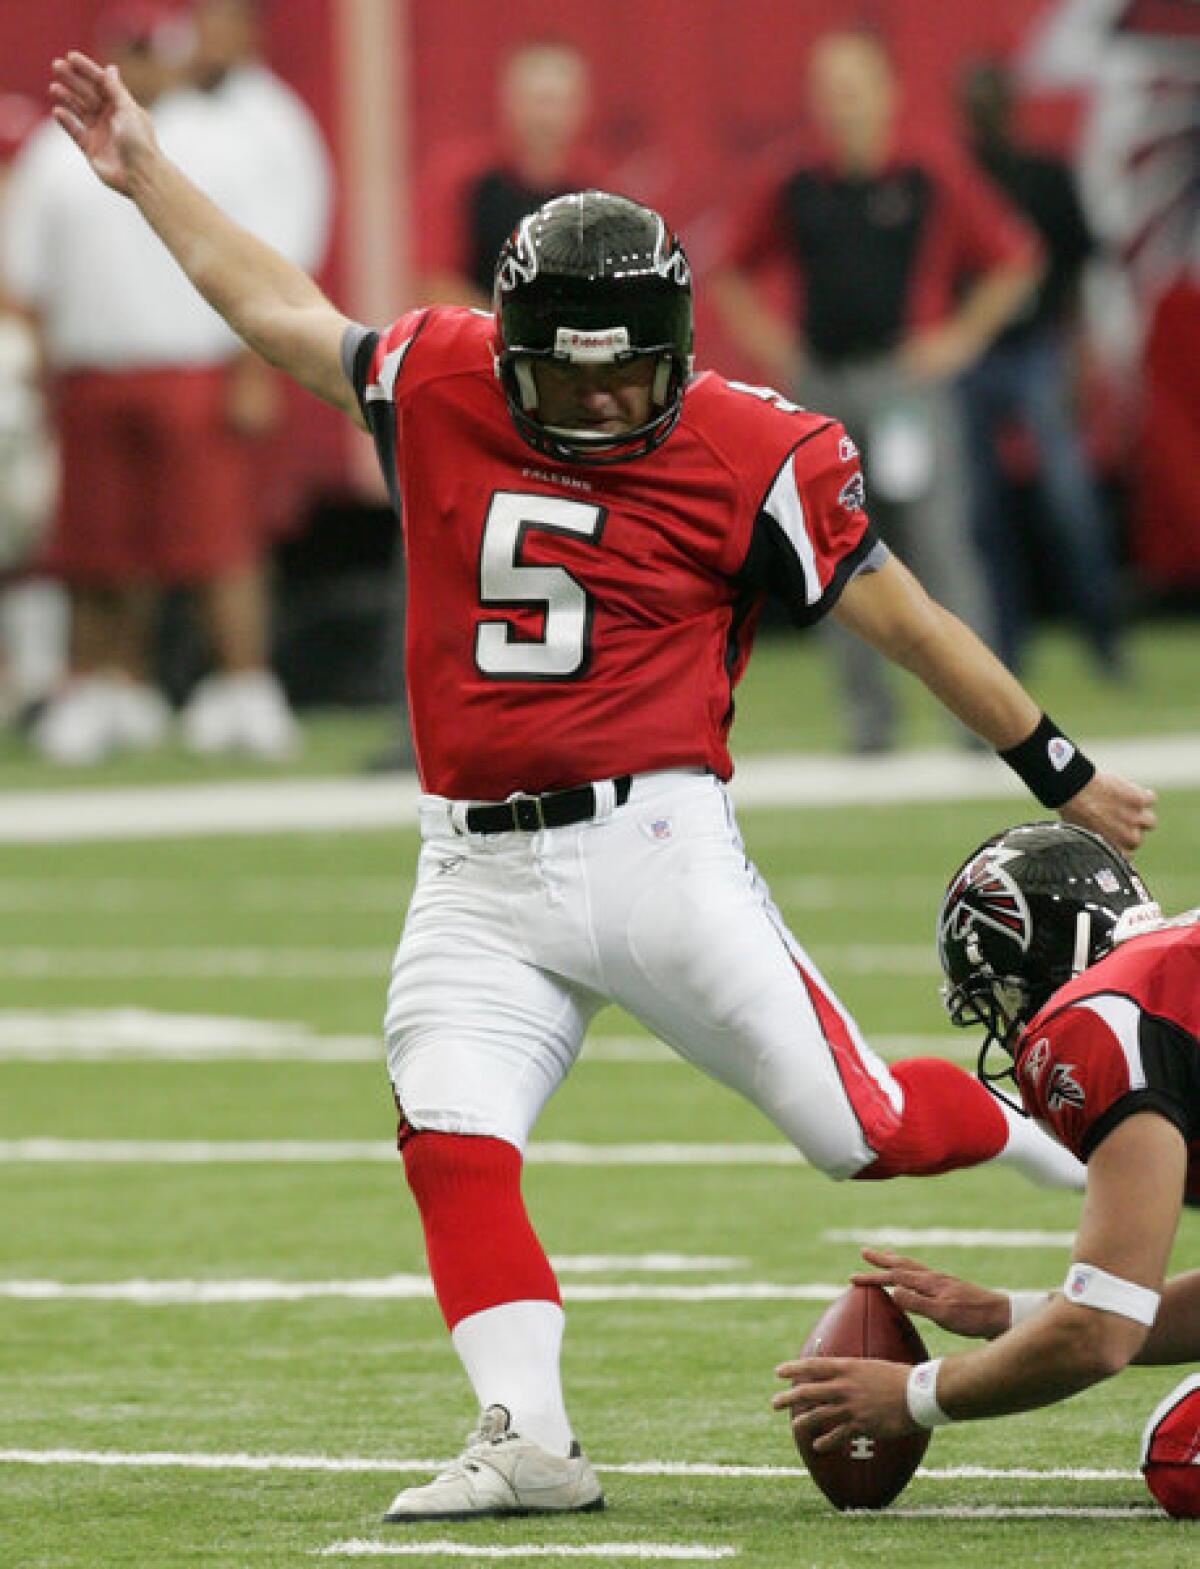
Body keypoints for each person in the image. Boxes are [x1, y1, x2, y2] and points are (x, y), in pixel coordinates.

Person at [48, 49, 1156, 1523]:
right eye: (560, 369)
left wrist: (1054, 762)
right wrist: (143, 173)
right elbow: (276, 309)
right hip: (470, 869)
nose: (588, 398)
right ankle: (528, 1435)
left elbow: (903, 613)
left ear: (676, 345)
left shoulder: (751, 443)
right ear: (511, 346)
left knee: (865, 1133)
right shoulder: (441, 372)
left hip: (656, 847)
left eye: (622, 370)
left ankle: (1056, 1138)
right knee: (451, 1136)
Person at [775, 822, 1197, 1505]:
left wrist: (914, 1396)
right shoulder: (1168, 979)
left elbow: (1100, 1333)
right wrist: (1012, 1311)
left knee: (1185, 1453)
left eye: (1001, 998)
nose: (1010, 1027)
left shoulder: (1101, 1021)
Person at [712, 28, 1040, 754]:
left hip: (903, 385)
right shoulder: (794, 178)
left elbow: (1015, 258)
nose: (842, 104)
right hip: (824, 390)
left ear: (888, 93)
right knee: (833, 558)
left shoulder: (928, 172)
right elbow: (728, 266)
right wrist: (778, 349)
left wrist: (958, 339)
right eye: (829, 89)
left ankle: (981, 724)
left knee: (940, 544)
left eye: (854, 86)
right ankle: (870, 724)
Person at [3, 3, 298, 764]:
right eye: (126, 51)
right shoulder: (54, 148)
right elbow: (25, 277)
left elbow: (263, 264)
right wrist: (39, 369)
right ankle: (110, 686)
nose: (139, 64)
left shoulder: (224, 142)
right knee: (99, 547)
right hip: (94, 369)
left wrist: (254, 366)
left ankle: (246, 686)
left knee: (217, 542)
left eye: (151, 50)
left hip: (192, 363)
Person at [957, 57, 1124, 678]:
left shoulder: (1045, 176)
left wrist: (1079, 355)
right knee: (980, 511)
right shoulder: (956, 178)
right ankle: (1004, 644)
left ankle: (1104, 634)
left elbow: (1077, 269)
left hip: (1036, 349)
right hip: (971, 356)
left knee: (1068, 500)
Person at [416, 38, 603, 308]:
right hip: (477, 340)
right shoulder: (463, 179)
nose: (546, 117)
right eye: (539, 101)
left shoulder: (598, 191)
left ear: (583, 106)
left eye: (559, 102)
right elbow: (435, 282)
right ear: (508, 101)